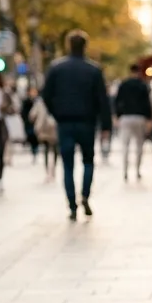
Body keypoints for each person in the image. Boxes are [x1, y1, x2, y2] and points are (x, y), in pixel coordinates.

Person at [42, 30, 112, 221]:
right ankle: (85, 196)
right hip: (87, 122)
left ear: (68, 45)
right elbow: (102, 100)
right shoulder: (94, 70)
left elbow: (46, 95)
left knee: (67, 165)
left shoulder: (57, 68)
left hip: (65, 122)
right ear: (85, 46)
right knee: (88, 161)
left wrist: (56, 113)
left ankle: (72, 204)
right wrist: (106, 125)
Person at [114, 63, 152, 181]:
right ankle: (137, 170)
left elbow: (117, 101)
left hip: (125, 117)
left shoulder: (124, 84)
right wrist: (149, 118)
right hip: (139, 117)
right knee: (139, 146)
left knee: (125, 146)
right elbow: (147, 103)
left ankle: (125, 171)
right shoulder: (143, 85)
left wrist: (117, 116)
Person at [29, 91, 59, 183]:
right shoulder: (54, 100)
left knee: (49, 150)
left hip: (47, 128)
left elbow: (32, 115)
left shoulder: (40, 102)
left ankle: (49, 171)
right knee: (53, 149)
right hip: (50, 128)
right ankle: (51, 171)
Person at [20, 86, 40, 163]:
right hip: (29, 123)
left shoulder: (39, 101)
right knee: (31, 136)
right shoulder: (26, 102)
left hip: (38, 123)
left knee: (36, 137)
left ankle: (35, 150)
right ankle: (34, 150)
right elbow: (23, 113)